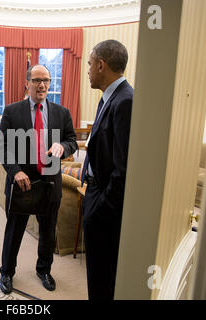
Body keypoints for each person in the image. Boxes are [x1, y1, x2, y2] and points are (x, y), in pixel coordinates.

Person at [0, 64, 77, 294]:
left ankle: (44, 270)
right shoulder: (12, 111)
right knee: (14, 231)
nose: (42, 85)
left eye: (46, 80)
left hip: (50, 183)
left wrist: (63, 145)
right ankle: (6, 272)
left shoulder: (62, 112)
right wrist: (15, 171)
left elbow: (71, 139)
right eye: (37, 80)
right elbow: (2, 147)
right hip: (22, 182)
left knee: (48, 231)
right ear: (27, 83)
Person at [81, 40, 133, 300]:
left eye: (90, 64)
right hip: (95, 193)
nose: (88, 70)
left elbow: (123, 169)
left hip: (105, 205)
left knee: (103, 277)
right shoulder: (108, 98)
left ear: (101, 65)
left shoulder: (125, 101)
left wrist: (100, 207)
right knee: (97, 274)